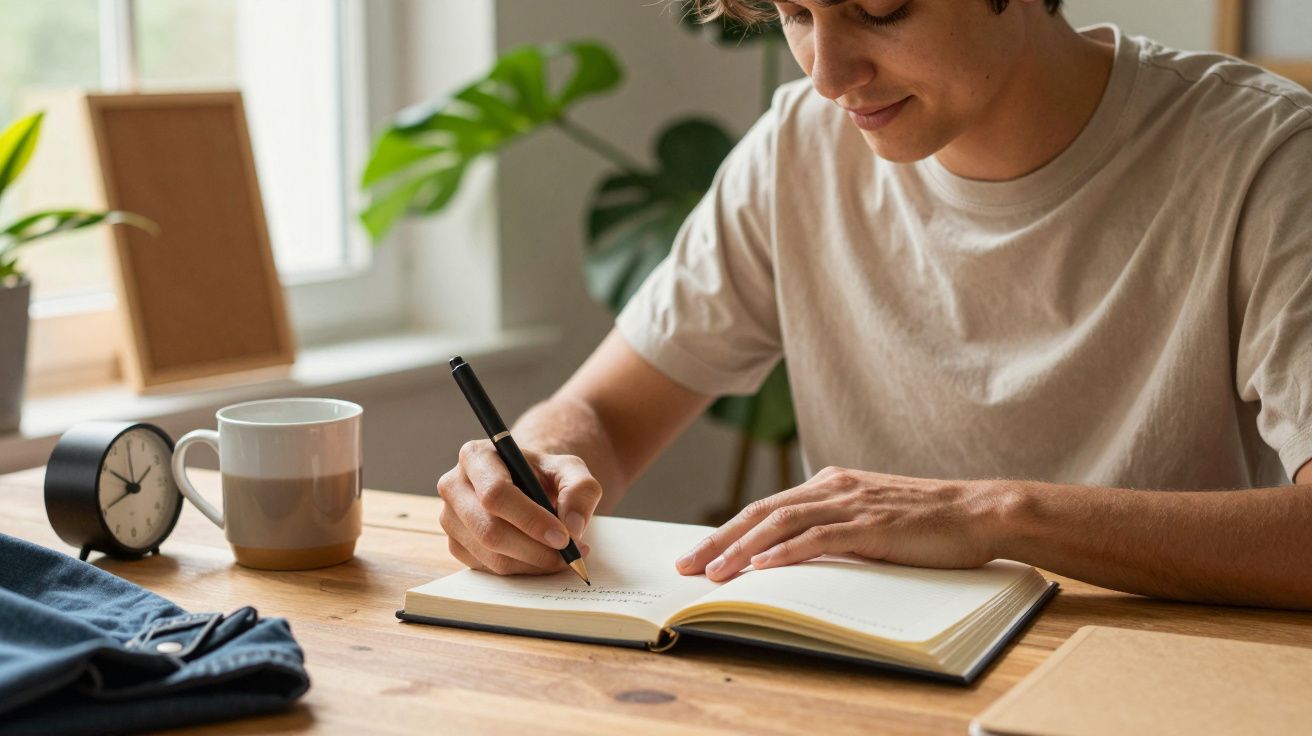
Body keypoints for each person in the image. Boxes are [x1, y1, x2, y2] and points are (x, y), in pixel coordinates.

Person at [437, 0, 1312, 609]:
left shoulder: (1265, 160)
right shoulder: (796, 149)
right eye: (795, 14)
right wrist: (535, 471)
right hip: (875, 682)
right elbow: (604, 413)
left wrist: (994, 517)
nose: (828, 74)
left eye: (881, 10)